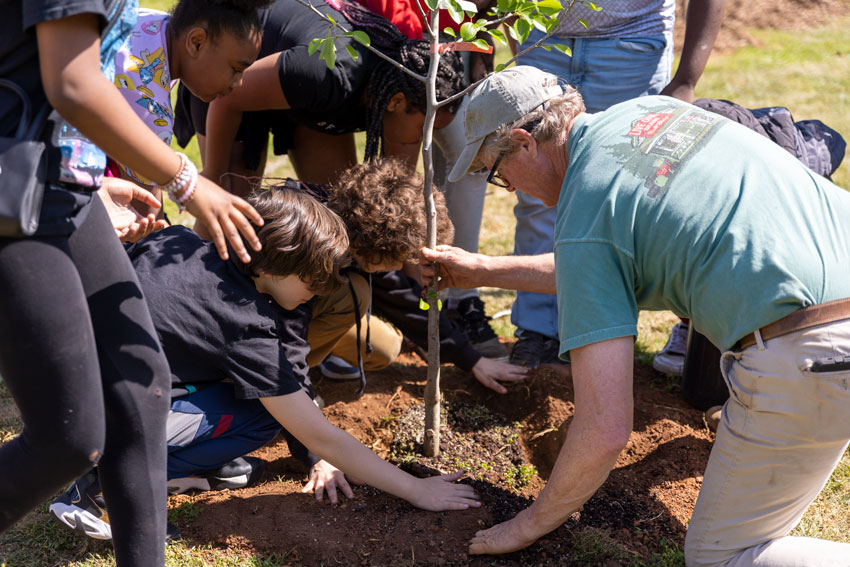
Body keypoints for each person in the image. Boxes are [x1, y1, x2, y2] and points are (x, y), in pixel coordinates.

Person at [427, 65, 850, 565]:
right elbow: (603, 263)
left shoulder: (587, 208)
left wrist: (528, 523)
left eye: (497, 173)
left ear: (524, 142)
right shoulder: (653, 114)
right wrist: (482, 269)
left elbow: (605, 428)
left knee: (723, 556)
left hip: (812, 353)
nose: (511, 187)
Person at [51, 186, 480, 540]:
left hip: (57, 388)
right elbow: (317, 433)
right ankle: (101, 486)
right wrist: (414, 488)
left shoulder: (176, 240)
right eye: (314, 281)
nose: (320, 291)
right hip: (106, 421)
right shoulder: (246, 324)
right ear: (277, 266)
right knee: (264, 414)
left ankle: (184, 464)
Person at [0, 1, 264, 565]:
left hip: (68, 183)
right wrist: (190, 183)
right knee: (66, 437)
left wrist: (96, 185)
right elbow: (71, 82)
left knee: (142, 390)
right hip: (15, 188)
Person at [457, 0, 725, 369]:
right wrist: (482, 25)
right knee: (538, 195)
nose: (508, 187)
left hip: (631, 42)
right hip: (545, 35)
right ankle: (540, 332)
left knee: (626, 191)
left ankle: (601, 333)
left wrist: (687, 78)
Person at [303, 159, 528, 394]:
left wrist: (472, 360)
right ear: (374, 241)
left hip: (309, 313)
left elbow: (403, 302)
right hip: (274, 323)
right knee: (354, 295)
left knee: (384, 348)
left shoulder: (361, 245)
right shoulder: (311, 241)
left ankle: (311, 352)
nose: (401, 265)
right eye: (397, 257)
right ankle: (285, 379)